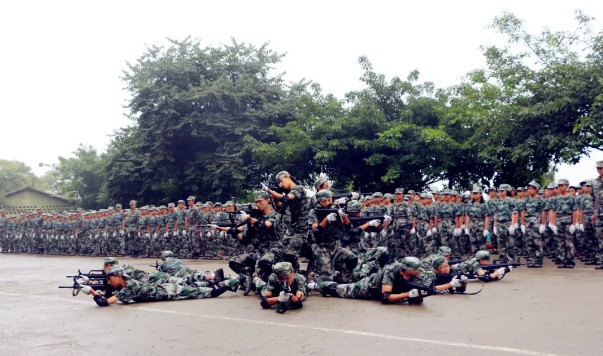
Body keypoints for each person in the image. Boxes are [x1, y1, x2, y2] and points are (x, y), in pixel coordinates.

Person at [79, 265, 235, 307]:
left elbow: (105, 302)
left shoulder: (129, 287)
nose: (109, 281)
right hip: (162, 288)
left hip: (166, 291)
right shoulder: (123, 285)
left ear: (119, 277)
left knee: (203, 292)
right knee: (194, 286)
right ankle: (219, 280)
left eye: (110, 278)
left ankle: (230, 283)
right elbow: (108, 294)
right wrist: (91, 283)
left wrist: (91, 291)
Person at [311, 257, 432, 305]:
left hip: (389, 290)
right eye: (410, 276)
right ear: (401, 271)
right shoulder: (391, 270)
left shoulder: (415, 271)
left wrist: (420, 295)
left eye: (415, 276)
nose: (413, 278)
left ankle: (338, 277)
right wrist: (408, 294)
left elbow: (417, 300)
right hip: (368, 288)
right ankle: (316, 284)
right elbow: (385, 297)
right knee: (338, 290)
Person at [306, 190, 358, 283]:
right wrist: (326, 219)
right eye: (324, 201)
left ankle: (341, 274)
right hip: (320, 247)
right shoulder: (314, 212)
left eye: (329, 200)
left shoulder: (337, 209)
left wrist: (343, 215)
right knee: (326, 280)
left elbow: (348, 228)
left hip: (335, 245)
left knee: (352, 258)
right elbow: (315, 230)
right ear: (318, 202)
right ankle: (311, 275)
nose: (327, 203)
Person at [262, 171, 309, 271]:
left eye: (281, 181)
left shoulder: (298, 188)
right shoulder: (288, 193)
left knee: (290, 254)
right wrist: (275, 198)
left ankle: (294, 275)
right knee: (280, 250)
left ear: (288, 177)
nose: (280, 184)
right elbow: (281, 210)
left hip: (301, 229)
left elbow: (287, 200)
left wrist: (269, 190)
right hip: (292, 229)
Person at [549, 179, 578, 268]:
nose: (560, 187)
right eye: (559, 186)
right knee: (560, 242)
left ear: (567, 186)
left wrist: (574, 223)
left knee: (569, 242)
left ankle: (570, 261)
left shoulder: (571, 198)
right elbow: (553, 211)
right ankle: (562, 261)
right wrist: (553, 224)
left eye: (562, 185)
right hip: (559, 220)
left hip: (568, 220)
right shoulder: (556, 199)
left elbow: (575, 211)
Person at [522, 181, 547, 268]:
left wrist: (543, 224)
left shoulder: (540, 199)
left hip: (537, 221)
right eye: (528, 189)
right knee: (529, 242)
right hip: (528, 221)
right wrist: (522, 224)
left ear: (536, 190)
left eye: (531, 189)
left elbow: (543, 212)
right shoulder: (527, 200)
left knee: (537, 242)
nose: (529, 191)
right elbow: (523, 212)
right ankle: (531, 260)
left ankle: (538, 260)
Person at [465, 185, 489, 254]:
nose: (474, 195)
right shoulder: (470, 204)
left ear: (480, 194)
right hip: (471, 224)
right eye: (473, 193)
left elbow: (486, 217)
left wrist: (486, 229)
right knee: (473, 243)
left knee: (482, 244)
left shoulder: (484, 204)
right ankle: (475, 260)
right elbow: (467, 216)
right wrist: (466, 227)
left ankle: (483, 259)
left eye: (476, 193)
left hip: (480, 224)